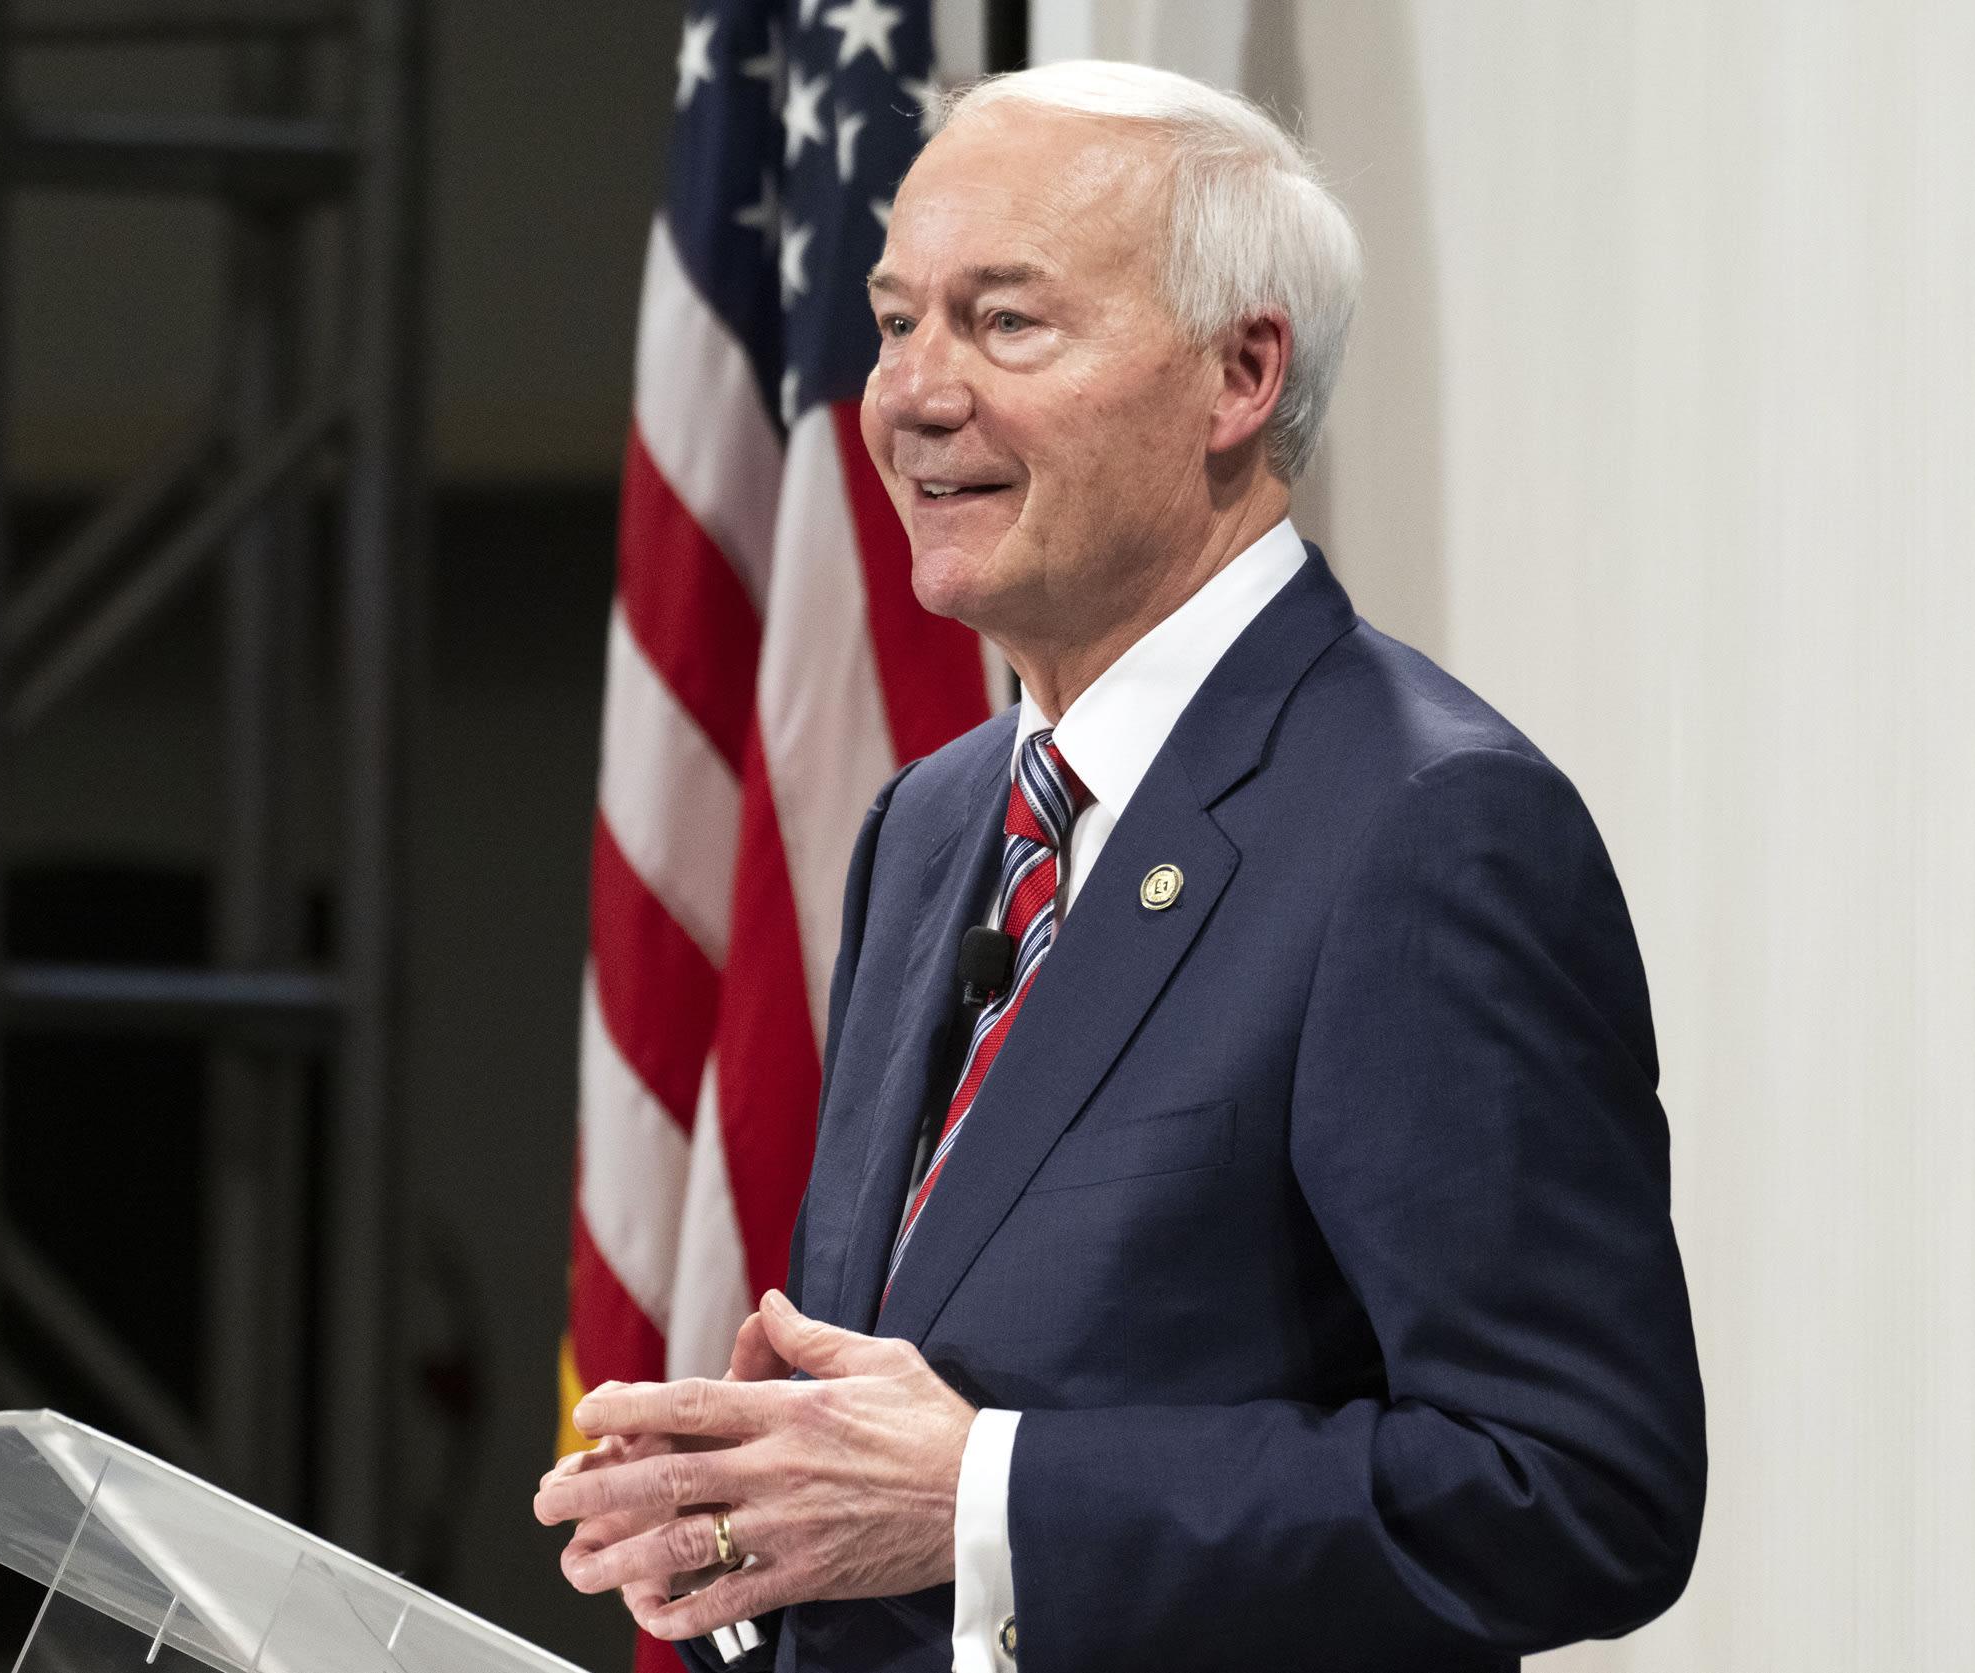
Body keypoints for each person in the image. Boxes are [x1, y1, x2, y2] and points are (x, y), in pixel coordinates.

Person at [535, 59, 1705, 1673]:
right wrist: (767, 1529)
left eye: (1005, 323)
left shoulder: (1429, 826)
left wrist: (986, 1499)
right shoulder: (937, 825)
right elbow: (910, 1425)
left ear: (1240, 374)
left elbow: (1573, 1487)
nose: (914, 395)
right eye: (894, 323)